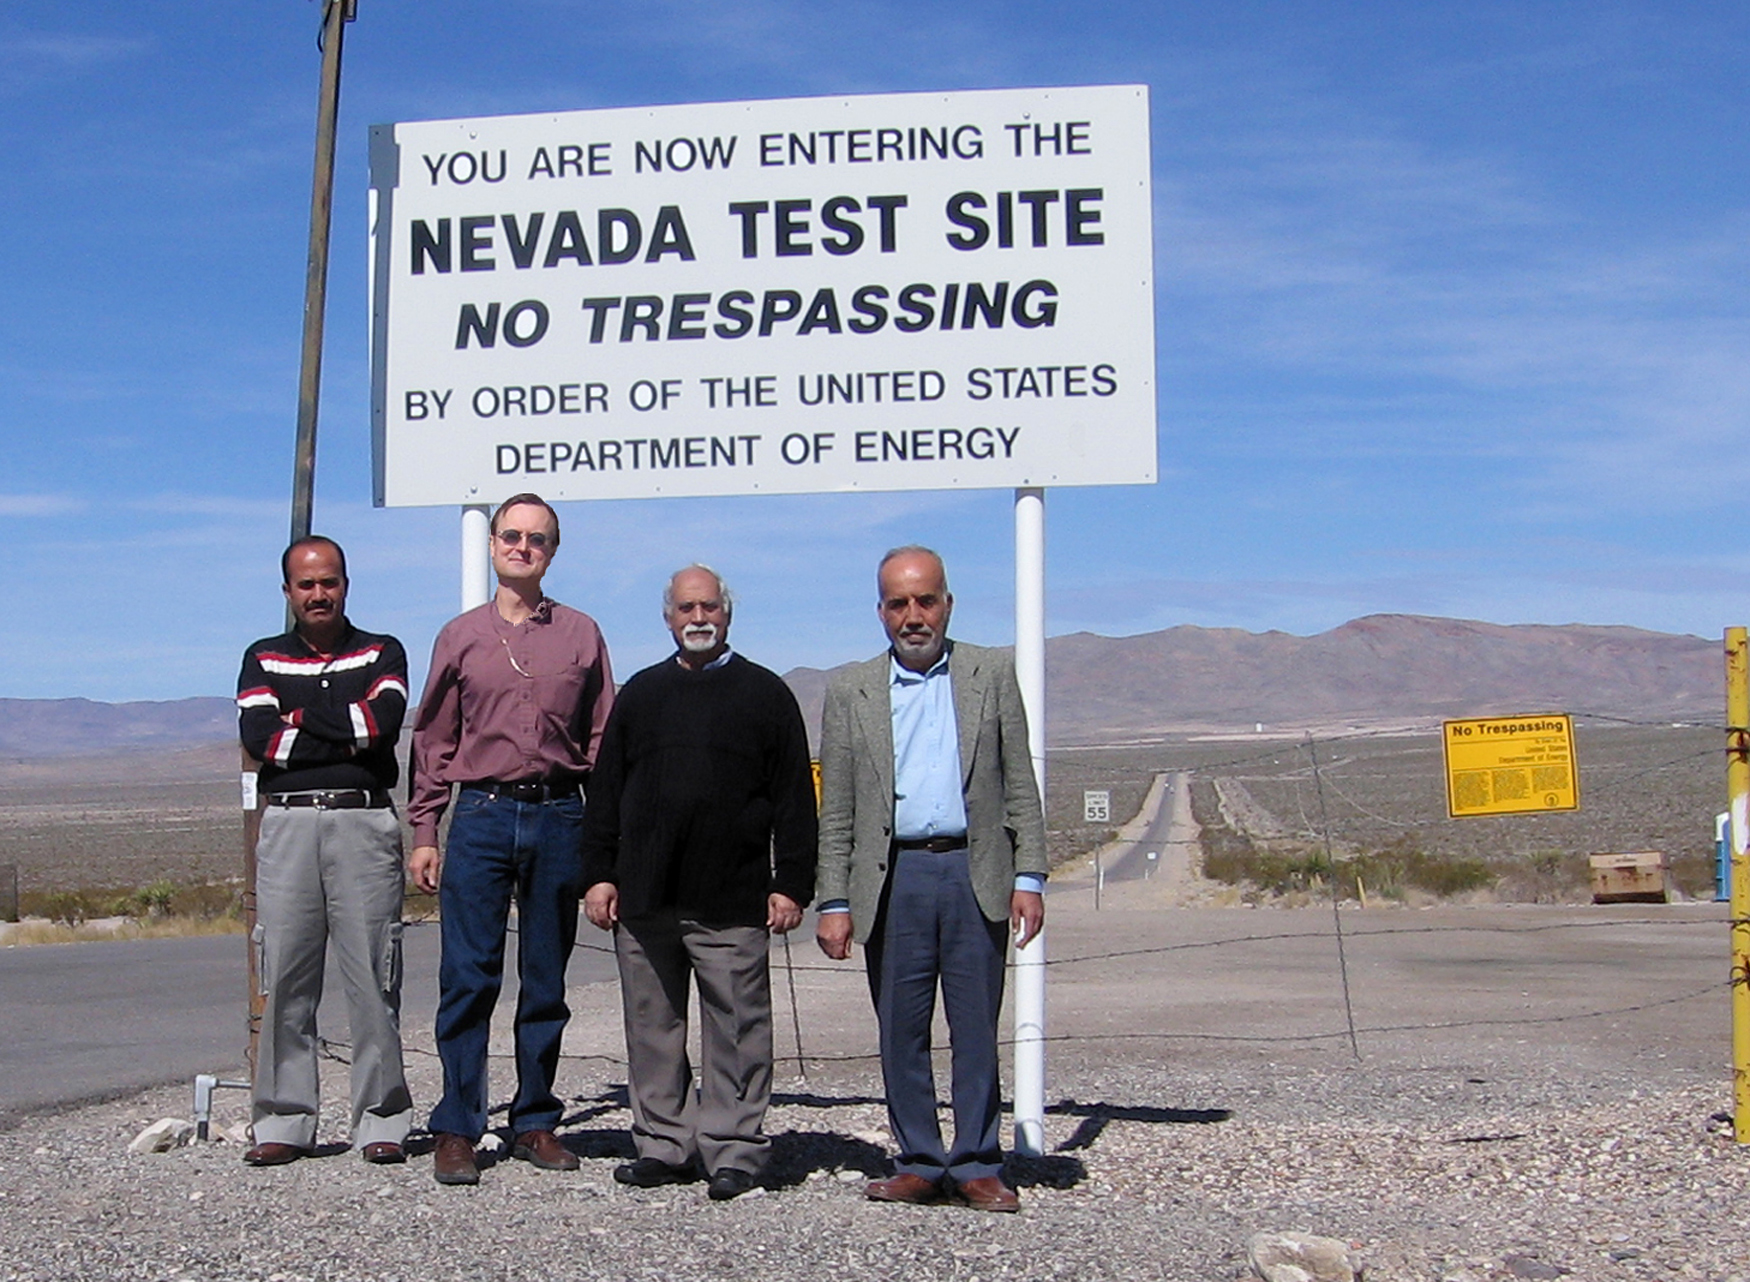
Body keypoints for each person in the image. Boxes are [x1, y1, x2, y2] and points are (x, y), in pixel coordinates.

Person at [815, 545, 1047, 1212]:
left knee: (975, 1030)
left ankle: (977, 1164)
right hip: (894, 878)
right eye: (898, 604)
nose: (913, 616)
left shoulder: (990, 673)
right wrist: (834, 899)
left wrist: (1030, 875)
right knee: (901, 1031)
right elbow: (838, 809)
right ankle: (917, 1161)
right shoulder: (851, 689)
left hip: (976, 871)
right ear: (881, 611)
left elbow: (1020, 781)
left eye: (925, 601)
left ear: (947, 603)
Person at [581, 565, 816, 1201]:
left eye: (709, 606)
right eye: (686, 608)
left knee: (738, 1029)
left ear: (728, 613)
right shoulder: (641, 694)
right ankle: (664, 1144)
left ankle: (734, 1149)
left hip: (732, 897)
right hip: (646, 896)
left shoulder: (766, 694)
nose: (698, 618)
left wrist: (792, 882)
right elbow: (606, 791)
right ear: (668, 617)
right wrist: (599, 874)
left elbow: (795, 797)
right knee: (651, 1029)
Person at [408, 493, 615, 1187]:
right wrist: (426, 829)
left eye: (537, 538)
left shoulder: (582, 634)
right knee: (468, 978)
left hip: (559, 815)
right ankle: (458, 1126)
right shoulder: (460, 636)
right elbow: (434, 738)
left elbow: (602, 739)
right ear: (493, 544)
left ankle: (534, 1121)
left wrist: (605, 845)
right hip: (483, 816)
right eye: (511, 536)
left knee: (547, 978)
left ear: (552, 551)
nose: (522, 547)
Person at [236, 536, 413, 1167]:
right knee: (285, 975)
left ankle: (381, 1119)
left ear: (345, 585)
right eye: (306, 584)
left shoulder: (383, 651)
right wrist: (343, 729)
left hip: (362, 824)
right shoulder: (262, 657)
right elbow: (261, 740)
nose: (319, 594)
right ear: (288, 591)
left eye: (329, 582)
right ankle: (283, 1120)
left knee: (372, 976)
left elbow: (381, 727)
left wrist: (301, 719)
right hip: (287, 826)